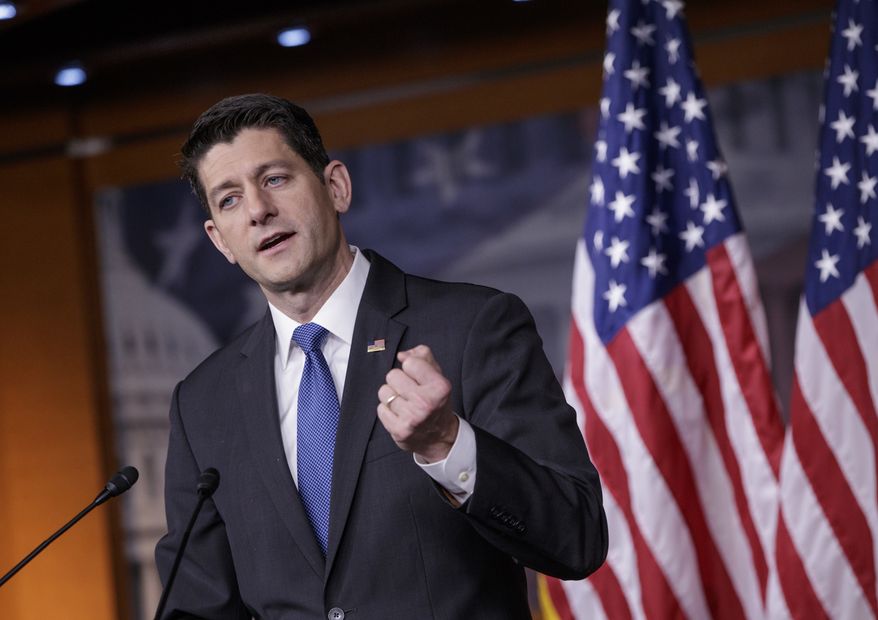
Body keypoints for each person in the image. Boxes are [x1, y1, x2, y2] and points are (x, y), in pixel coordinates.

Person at [155, 93, 607, 619]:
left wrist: (446, 444)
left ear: (335, 187)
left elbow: (577, 537)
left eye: (275, 179)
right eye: (229, 199)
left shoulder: (474, 327)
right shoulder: (203, 402)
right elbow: (197, 605)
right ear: (220, 241)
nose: (258, 210)